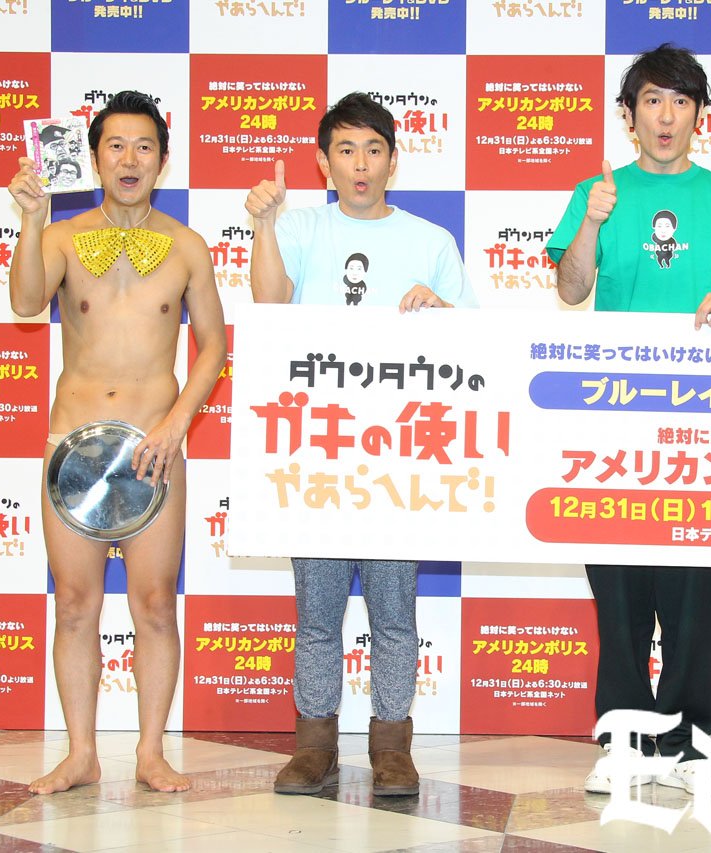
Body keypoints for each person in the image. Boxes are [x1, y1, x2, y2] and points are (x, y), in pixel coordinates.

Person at [545, 44, 711, 796]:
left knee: (692, 592)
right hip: (612, 421)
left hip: (704, 428)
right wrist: (591, 222)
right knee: (617, 592)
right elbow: (571, 289)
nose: (666, 115)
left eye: (681, 101)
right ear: (629, 114)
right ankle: (623, 739)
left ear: (699, 115)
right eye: (652, 100)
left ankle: (687, 744)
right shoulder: (597, 192)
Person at [245, 91, 474, 798]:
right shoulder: (301, 226)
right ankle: (313, 744)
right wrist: (263, 226)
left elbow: (472, 343)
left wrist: (441, 311)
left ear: (393, 160)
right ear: (324, 162)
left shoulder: (431, 241)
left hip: (399, 458)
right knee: (316, 613)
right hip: (318, 451)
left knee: (394, 613)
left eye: (374, 149)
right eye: (346, 150)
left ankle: (392, 746)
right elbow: (268, 306)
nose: (361, 163)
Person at [7, 90, 228, 794]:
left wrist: (176, 424)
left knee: (155, 604)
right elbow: (24, 303)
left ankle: (151, 751)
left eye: (144, 146)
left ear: (163, 159)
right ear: (95, 157)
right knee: (74, 604)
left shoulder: (187, 245)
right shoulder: (62, 235)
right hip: (72, 446)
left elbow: (215, 346)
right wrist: (32, 219)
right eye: (116, 145)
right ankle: (81, 753)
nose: (130, 159)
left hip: (153, 450)